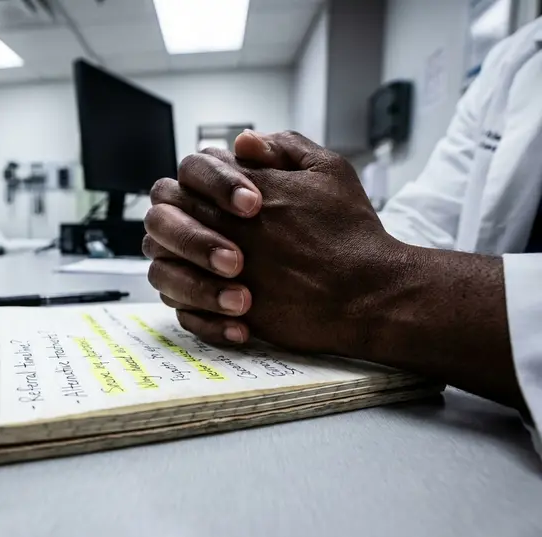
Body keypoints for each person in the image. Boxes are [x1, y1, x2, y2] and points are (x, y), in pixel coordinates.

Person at [142, 18, 542, 440]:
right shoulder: (514, 60)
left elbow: (372, 267)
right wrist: (259, 256)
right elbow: (424, 224)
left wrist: (364, 290)